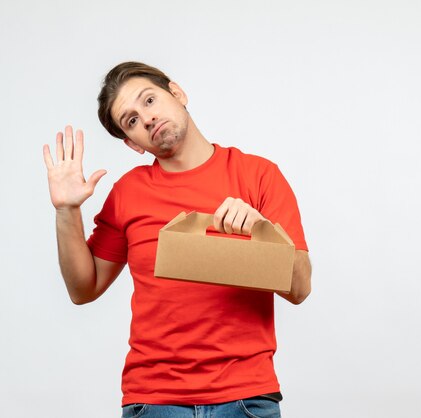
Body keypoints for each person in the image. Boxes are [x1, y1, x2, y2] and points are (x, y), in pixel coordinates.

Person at [42, 62, 311, 418]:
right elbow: (83, 289)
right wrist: (66, 210)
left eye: (149, 100)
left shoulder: (259, 175)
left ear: (177, 93)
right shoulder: (128, 193)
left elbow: (300, 289)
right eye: (132, 120)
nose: (147, 119)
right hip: (153, 400)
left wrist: (263, 232)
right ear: (132, 144)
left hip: (246, 397)